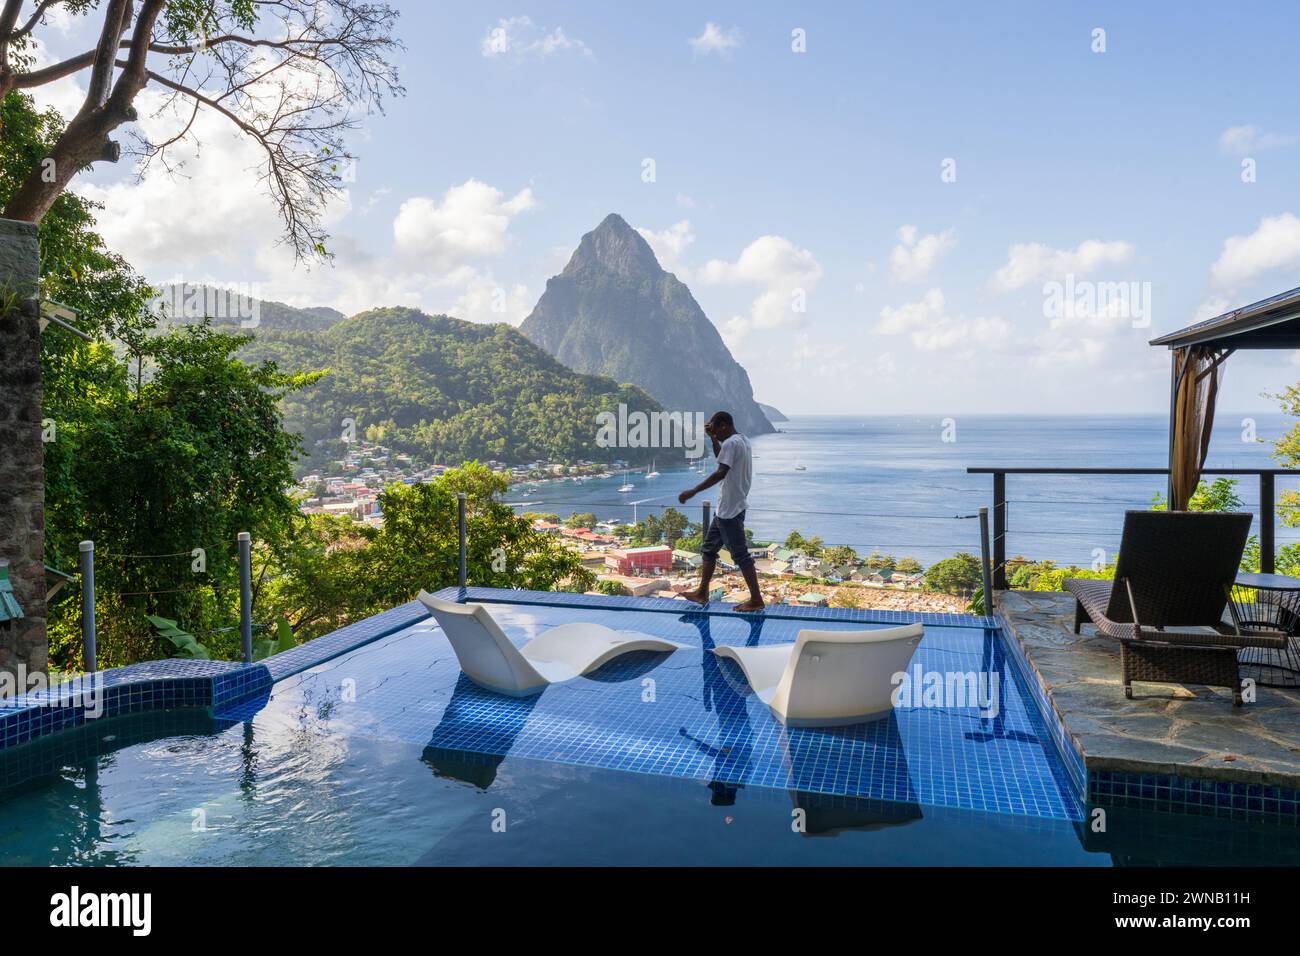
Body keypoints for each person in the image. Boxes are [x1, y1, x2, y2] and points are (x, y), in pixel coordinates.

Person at [678, 411, 764, 612]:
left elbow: (720, 472)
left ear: (724, 426)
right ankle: (702, 593)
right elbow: (722, 457)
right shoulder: (742, 440)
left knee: (741, 556)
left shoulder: (731, 443)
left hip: (730, 511)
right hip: (727, 508)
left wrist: (693, 491)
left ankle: (757, 599)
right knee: (708, 550)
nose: (715, 433)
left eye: (717, 430)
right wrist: (713, 438)